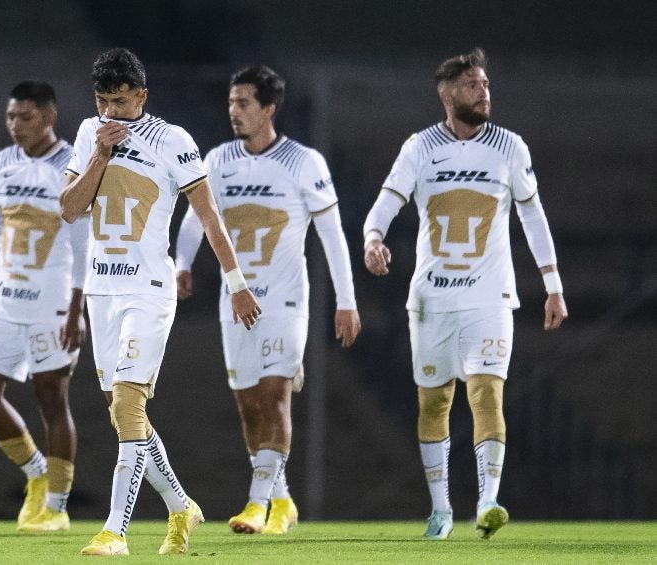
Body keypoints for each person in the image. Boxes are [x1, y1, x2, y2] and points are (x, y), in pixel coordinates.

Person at [60, 47, 261, 556]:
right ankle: (180, 506)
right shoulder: (89, 134)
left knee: (129, 403)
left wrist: (236, 283)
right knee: (122, 414)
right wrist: (100, 154)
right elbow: (69, 208)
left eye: (121, 101)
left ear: (142, 96)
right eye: (103, 101)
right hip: (102, 290)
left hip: (148, 289)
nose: (112, 112)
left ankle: (116, 531)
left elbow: (209, 216)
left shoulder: (172, 140)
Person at [362, 48, 568, 540]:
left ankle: (488, 502)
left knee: (486, 393)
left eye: (486, 84)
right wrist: (372, 239)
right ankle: (441, 510)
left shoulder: (510, 147)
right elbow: (387, 200)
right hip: (431, 299)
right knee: (434, 404)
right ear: (447, 95)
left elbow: (533, 215)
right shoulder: (420, 147)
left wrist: (553, 286)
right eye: (472, 85)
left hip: (489, 297)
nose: (483, 92)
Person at [175, 65, 361, 536]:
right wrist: (182, 263)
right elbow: (197, 219)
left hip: (284, 301)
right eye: (231, 102)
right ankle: (281, 500)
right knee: (248, 406)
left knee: (274, 396)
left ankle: (256, 503)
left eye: (243, 103)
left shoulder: (304, 162)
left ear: (269, 109)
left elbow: (332, 235)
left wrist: (346, 300)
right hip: (234, 300)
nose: (233, 111)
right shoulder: (218, 160)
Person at [0, 81, 86, 532]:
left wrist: (77, 307)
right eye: (10, 116)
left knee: (52, 398)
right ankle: (36, 472)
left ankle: (58, 507)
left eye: (25, 116)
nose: (15, 124)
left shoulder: (74, 164)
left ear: (49, 117)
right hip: (5, 299)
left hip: (53, 301)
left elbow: (83, 242)